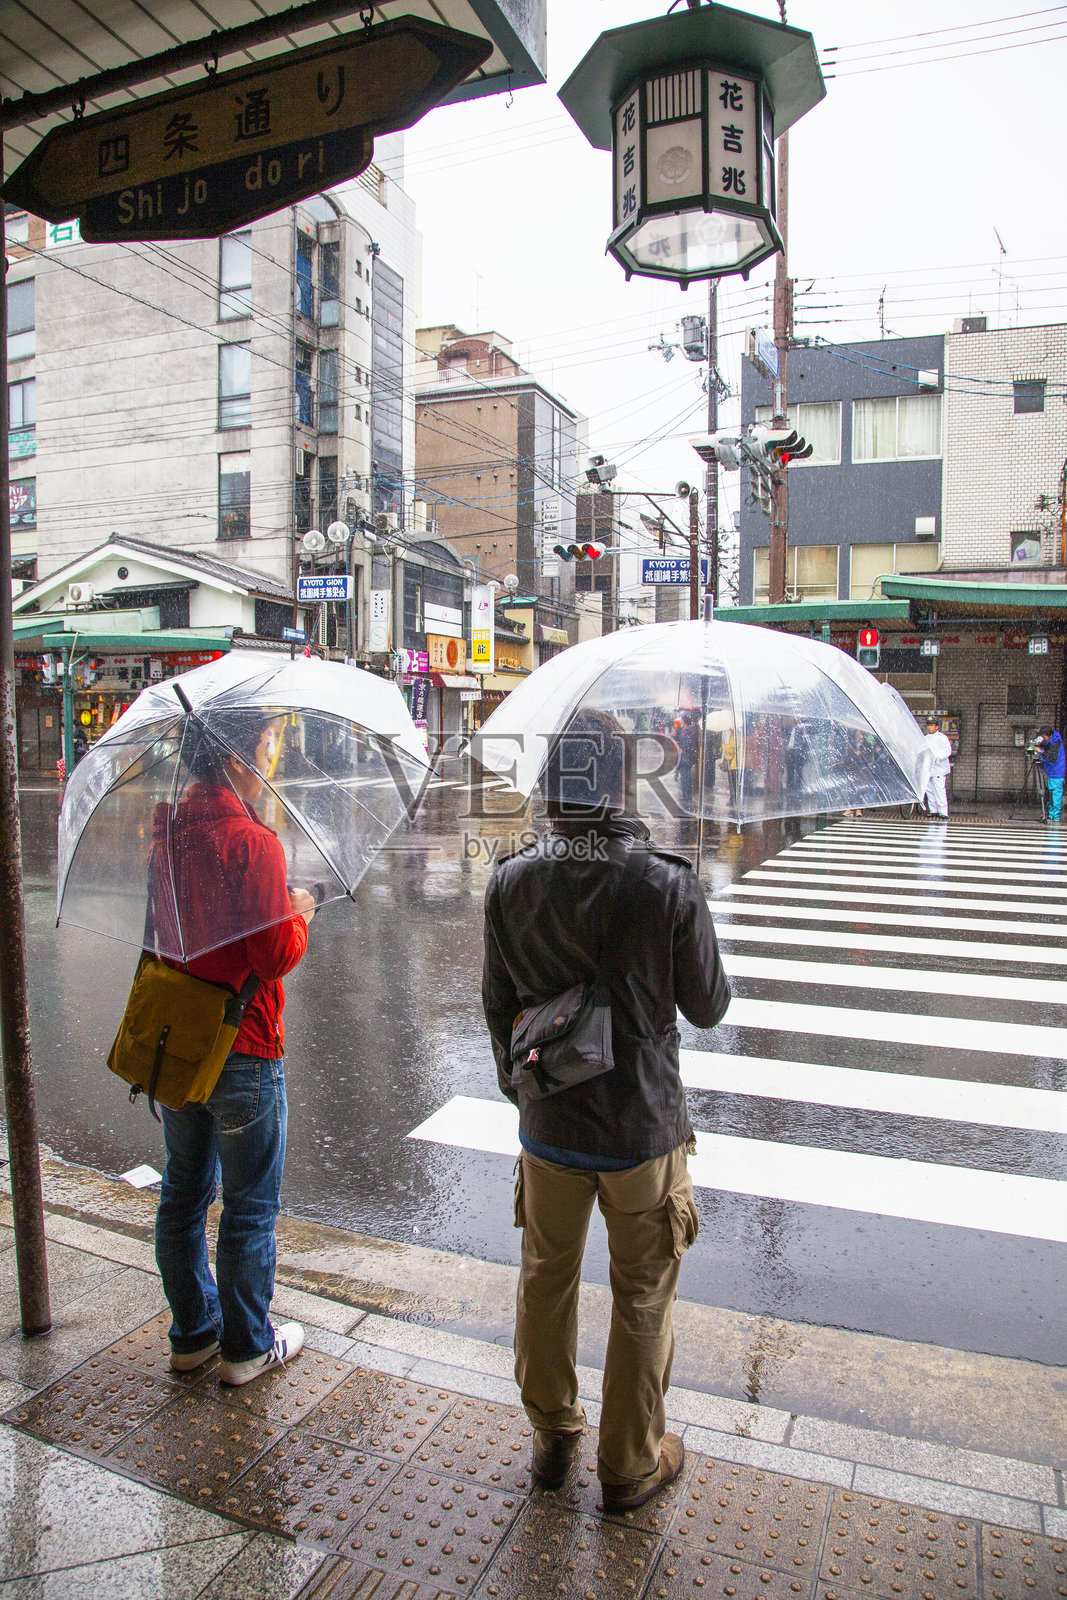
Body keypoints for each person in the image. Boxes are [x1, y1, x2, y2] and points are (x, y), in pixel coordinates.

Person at [482, 710, 730, 1513]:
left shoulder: (511, 877)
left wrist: (519, 1087)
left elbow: (496, 1003)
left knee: (544, 1279)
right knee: (643, 1291)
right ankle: (629, 1463)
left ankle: (552, 1435)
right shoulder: (663, 879)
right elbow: (708, 1006)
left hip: (548, 1125)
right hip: (640, 1128)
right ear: (622, 782)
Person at [152, 714, 316, 1387]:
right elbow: (273, 956)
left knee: (184, 1192)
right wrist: (298, 911)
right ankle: (248, 1347)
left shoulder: (167, 832)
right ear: (239, 756)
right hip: (246, 1046)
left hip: (183, 1040)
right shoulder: (254, 842)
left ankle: (192, 1334)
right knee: (249, 1206)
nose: (274, 754)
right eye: (269, 742)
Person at [923, 716, 953, 820]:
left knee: (939, 790)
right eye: (928, 725)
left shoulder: (942, 738)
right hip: (928, 769)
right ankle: (933, 810)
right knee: (930, 791)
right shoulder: (925, 738)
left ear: (937, 727)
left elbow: (947, 751)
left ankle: (943, 811)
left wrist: (936, 757)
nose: (929, 727)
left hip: (939, 768)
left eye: (932, 725)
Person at [1033, 727, 1065, 822]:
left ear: (1050, 735)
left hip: (1056, 772)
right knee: (1051, 793)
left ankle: (1055, 816)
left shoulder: (1055, 743)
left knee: (1054, 794)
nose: (1043, 739)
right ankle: (1051, 814)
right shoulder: (1051, 741)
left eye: (1044, 737)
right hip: (1051, 771)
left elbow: (1051, 758)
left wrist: (1039, 750)